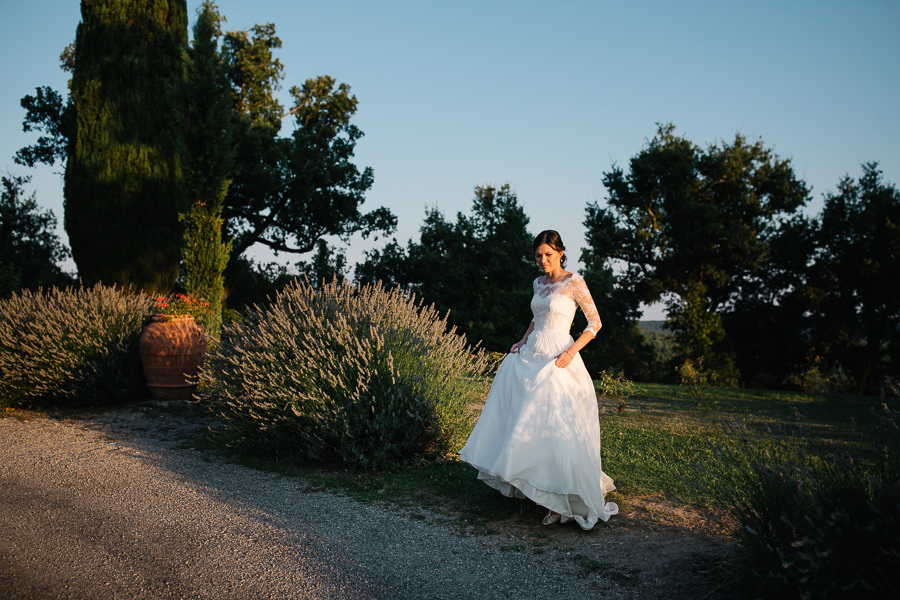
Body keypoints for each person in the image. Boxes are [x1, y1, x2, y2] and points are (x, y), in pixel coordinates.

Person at [459, 230, 618, 529]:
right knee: (525, 418)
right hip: (533, 352)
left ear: (560, 252)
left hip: (559, 355)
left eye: (548, 254)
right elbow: (538, 316)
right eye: (537, 256)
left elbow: (595, 321)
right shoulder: (538, 283)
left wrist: (572, 351)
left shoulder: (574, 281)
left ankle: (558, 500)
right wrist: (523, 339)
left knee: (554, 424)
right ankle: (530, 482)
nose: (542, 261)